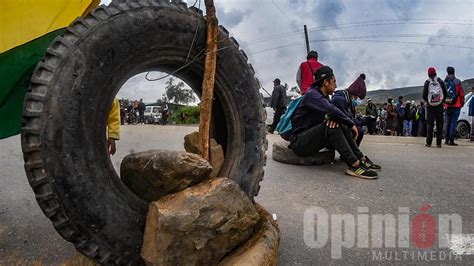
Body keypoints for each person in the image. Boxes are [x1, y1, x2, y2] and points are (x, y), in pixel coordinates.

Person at [289, 66, 381, 179]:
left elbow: (332, 113)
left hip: (312, 138)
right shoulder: (312, 95)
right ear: (326, 82)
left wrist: (336, 120)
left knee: (338, 123)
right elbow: (332, 110)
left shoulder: (323, 96)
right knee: (333, 126)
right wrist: (351, 124)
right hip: (300, 142)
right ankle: (354, 165)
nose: (336, 85)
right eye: (334, 81)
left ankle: (360, 158)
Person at [332, 73, 367, 146]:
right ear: (354, 95)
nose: (357, 100)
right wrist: (362, 121)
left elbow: (349, 117)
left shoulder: (348, 100)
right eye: (357, 97)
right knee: (359, 131)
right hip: (336, 128)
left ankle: (353, 151)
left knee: (359, 129)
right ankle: (352, 153)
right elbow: (346, 119)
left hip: (342, 126)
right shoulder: (340, 99)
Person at [423, 67, 447, 148]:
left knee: (430, 124)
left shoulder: (427, 82)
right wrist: (441, 101)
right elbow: (445, 93)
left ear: (428, 74)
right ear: (436, 73)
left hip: (430, 106)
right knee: (440, 124)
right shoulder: (440, 81)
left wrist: (429, 101)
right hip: (439, 105)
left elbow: (424, 95)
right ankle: (438, 143)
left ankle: (429, 142)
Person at [444, 66, 465, 145]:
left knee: (448, 122)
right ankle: (451, 140)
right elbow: (461, 94)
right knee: (453, 123)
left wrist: (444, 103)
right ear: (454, 72)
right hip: (456, 105)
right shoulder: (457, 81)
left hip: (448, 104)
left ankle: (446, 139)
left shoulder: (445, 81)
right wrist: (462, 103)